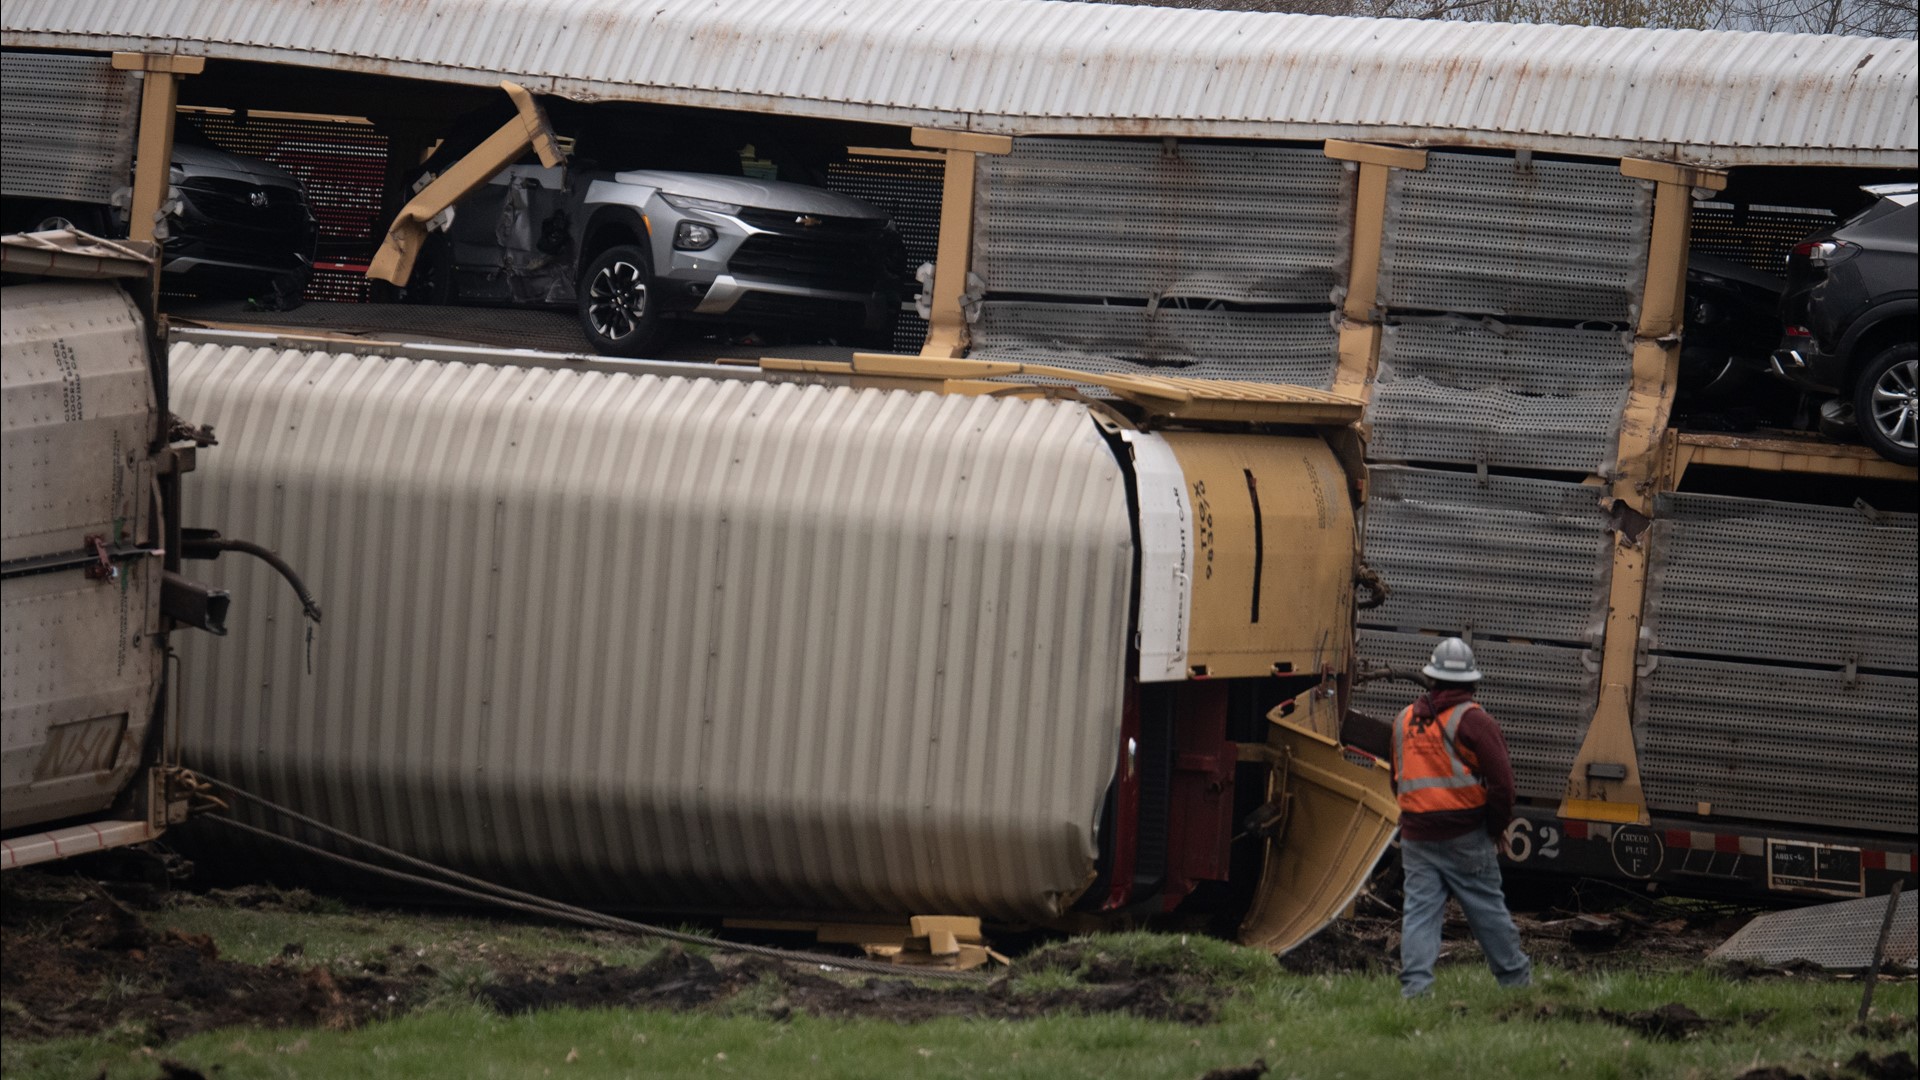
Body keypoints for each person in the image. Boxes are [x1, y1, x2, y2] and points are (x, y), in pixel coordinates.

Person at [1391, 637, 1532, 998]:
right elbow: (1503, 786)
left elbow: (1398, 779)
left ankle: (1416, 991)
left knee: (1420, 913)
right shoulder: (1475, 721)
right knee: (1487, 911)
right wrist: (1495, 828)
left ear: (1431, 679)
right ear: (1471, 682)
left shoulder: (1403, 720)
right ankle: (1516, 984)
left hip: (1416, 836)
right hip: (1466, 835)